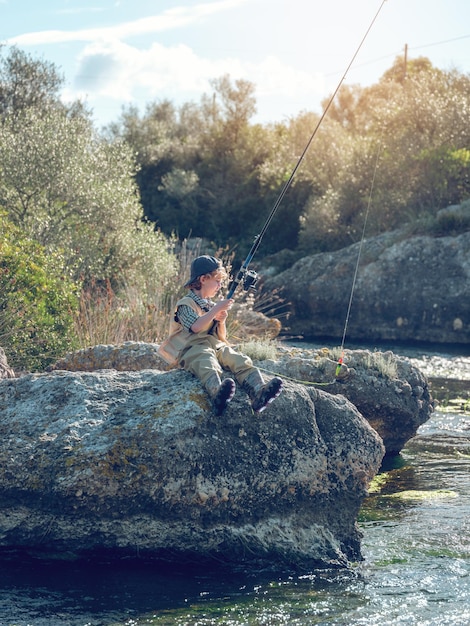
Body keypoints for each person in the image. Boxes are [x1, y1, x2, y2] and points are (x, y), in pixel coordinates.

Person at [158, 255, 283, 416]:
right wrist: (215, 310)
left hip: (214, 344)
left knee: (238, 359)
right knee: (206, 361)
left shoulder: (210, 305)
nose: (220, 286)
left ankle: (259, 391)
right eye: (217, 281)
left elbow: (221, 336)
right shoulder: (185, 304)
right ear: (203, 279)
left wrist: (221, 321)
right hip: (191, 348)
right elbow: (195, 327)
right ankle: (217, 393)